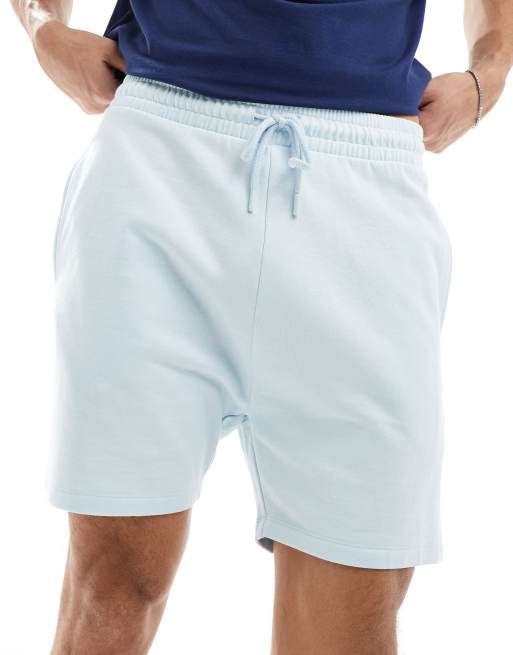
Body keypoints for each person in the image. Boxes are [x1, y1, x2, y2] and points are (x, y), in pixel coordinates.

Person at [11, 1, 512, 653]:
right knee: (111, 585)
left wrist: (489, 72)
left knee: (351, 618)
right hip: (160, 162)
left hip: (363, 187)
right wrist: (43, 27)